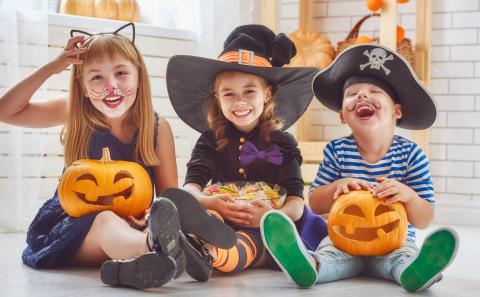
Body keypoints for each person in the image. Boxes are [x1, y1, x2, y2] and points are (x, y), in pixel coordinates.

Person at [0, 23, 235, 289]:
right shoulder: (75, 111)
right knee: (106, 220)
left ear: (139, 76)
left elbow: (168, 194)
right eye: (97, 77)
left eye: (121, 73)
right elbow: (5, 111)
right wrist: (52, 67)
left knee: (161, 219)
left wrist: (150, 216)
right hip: (75, 230)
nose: (111, 86)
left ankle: (141, 263)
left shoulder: (156, 128)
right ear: (84, 87)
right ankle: (158, 246)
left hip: (133, 225)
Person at [261, 44, 458, 292]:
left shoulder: (412, 155)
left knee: (402, 259)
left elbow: (424, 218)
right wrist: (337, 186)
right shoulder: (337, 151)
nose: (362, 96)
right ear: (343, 115)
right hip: (343, 242)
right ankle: (308, 265)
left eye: (374, 91)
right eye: (352, 94)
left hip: (394, 244)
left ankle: (417, 272)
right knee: (329, 255)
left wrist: (407, 195)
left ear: (396, 111)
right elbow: (317, 203)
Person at [166, 24, 328, 276]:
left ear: (267, 94)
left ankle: (215, 254)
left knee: (254, 240)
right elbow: (191, 188)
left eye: (249, 91)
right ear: (217, 99)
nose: (239, 101)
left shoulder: (283, 143)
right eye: (228, 94)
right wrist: (212, 202)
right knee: (207, 217)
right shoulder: (210, 140)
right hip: (221, 214)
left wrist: (272, 216)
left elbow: (296, 203)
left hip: (270, 223)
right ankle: (192, 242)